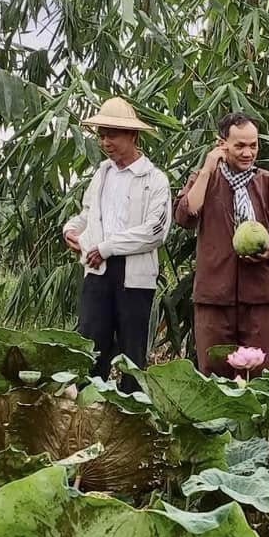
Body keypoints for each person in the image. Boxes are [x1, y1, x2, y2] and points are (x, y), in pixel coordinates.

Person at [175, 111, 269, 374]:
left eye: (253, 145)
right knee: (215, 372)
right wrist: (207, 169)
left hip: (259, 294)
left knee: (264, 373)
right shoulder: (205, 180)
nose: (248, 153)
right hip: (214, 295)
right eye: (239, 146)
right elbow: (185, 215)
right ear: (221, 144)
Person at [66, 97, 172, 377]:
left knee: (131, 351)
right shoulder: (101, 174)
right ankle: (87, 410)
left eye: (112, 135)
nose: (105, 142)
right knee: (90, 344)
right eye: (102, 136)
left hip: (134, 276)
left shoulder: (154, 180)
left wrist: (108, 247)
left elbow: (155, 231)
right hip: (96, 269)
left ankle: (130, 413)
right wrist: (71, 229)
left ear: (133, 136)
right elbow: (89, 214)